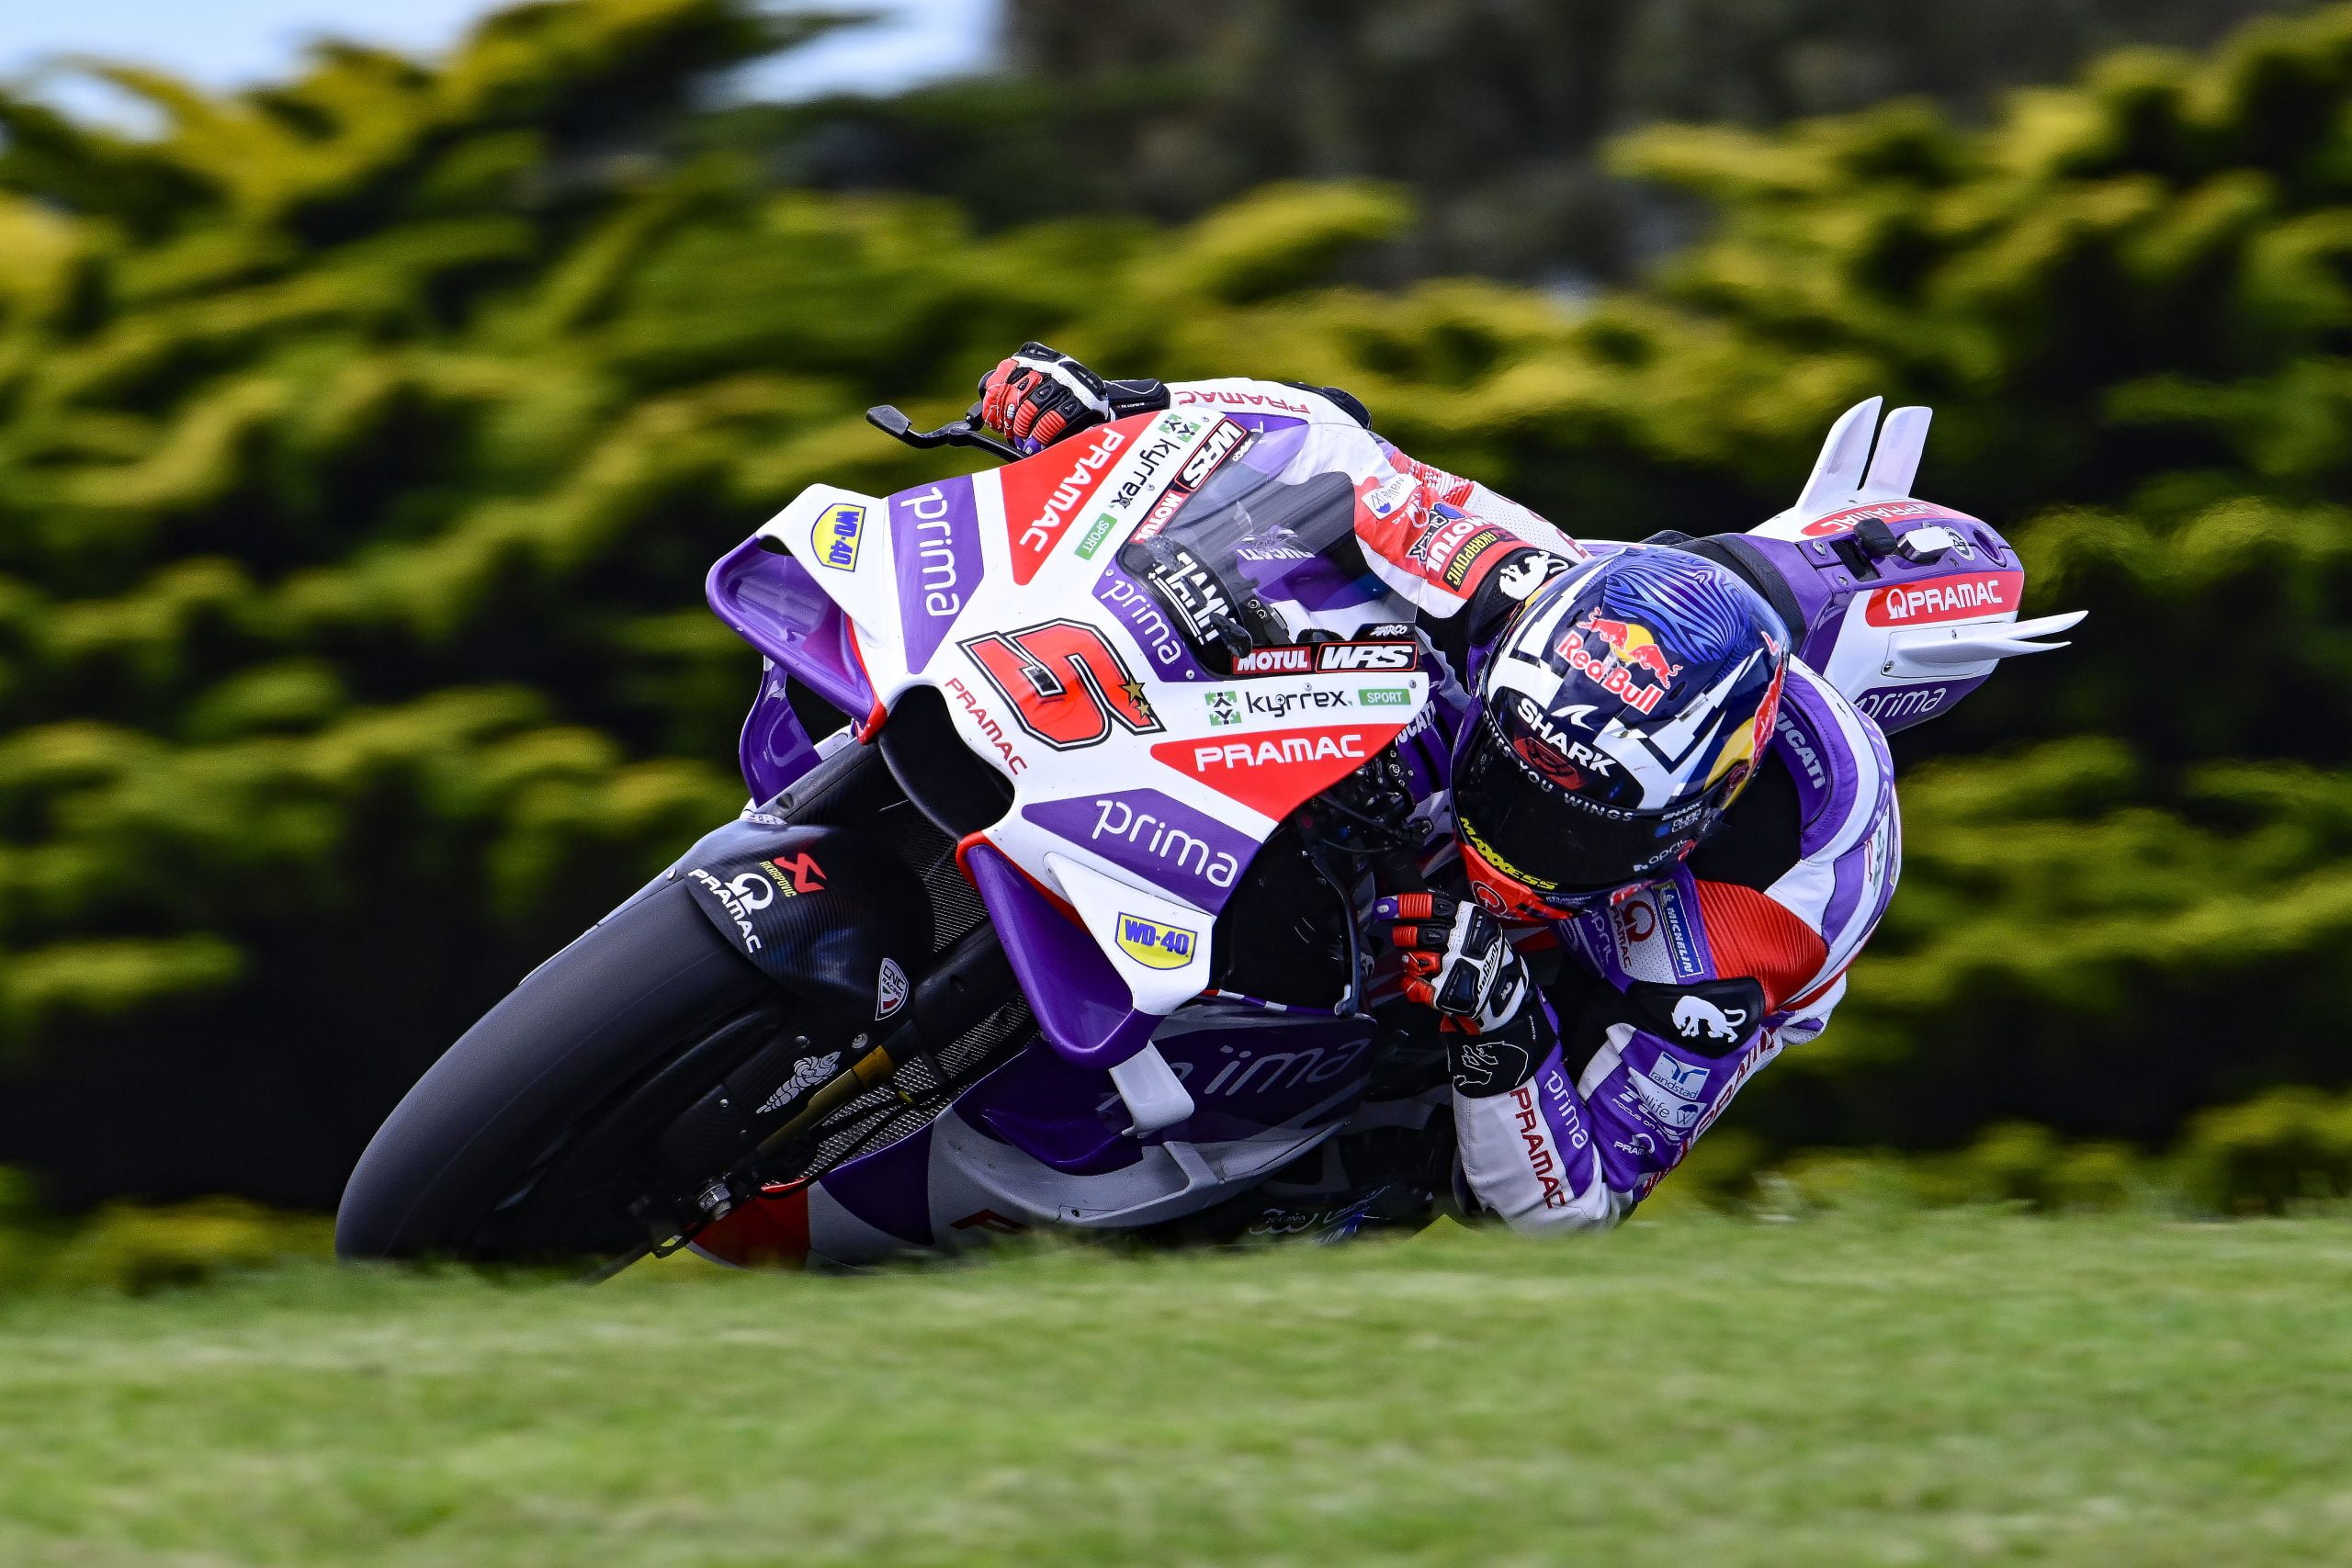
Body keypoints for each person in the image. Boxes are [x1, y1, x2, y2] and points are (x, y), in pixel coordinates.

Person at [974, 343, 1900, 1234]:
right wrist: (1124, 410)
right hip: (1507, 690)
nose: (1504, 847)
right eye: (1507, 782)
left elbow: (1574, 1211)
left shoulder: (1766, 920)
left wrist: (1499, 1022)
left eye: (1564, 830)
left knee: (1428, 1157)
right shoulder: (1515, 578)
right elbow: (1329, 442)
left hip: (1617, 963)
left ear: (1684, 822)